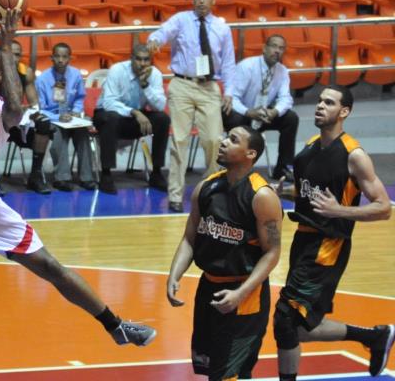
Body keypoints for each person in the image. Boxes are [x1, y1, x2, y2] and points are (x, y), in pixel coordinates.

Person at [0, 2, 156, 377]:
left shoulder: (7, 107)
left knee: (49, 265)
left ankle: (114, 324)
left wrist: (5, 48)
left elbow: (17, 110)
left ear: (0, 74)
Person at [273, 86, 394, 380]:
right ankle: (373, 337)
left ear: (344, 112)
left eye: (329, 102)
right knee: (300, 327)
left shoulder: (354, 155)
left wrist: (340, 210)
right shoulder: (310, 148)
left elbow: (384, 208)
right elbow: (309, 195)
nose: (320, 106)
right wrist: (281, 193)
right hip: (303, 241)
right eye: (319, 100)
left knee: (285, 319)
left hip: (328, 245)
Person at [167, 126, 283, 380]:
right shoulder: (206, 187)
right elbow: (190, 238)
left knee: (226, 374)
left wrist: (240, 294)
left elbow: (272, 252)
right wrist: (174, 275)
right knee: (217, 371)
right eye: (225, 137)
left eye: (233, 140)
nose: (222, 142)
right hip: (208, 290)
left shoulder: (261, 196)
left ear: (250, 153)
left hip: (244, 295)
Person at [147, 0, 236, 213]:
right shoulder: (181, 19)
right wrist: (154, 40)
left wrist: (229, 92)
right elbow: (162, 32)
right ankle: (175, 195)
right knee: (180, 141)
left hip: (209, 87)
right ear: (192, 0)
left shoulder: (221, 27)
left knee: (214, 140)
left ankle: (211, 190)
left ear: (213, 0)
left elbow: (228, 62)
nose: (201, 1)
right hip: (182, 84)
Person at [92, 44, 169, 194]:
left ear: (150, 60)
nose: (142, 63)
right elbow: (109, 102)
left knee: (162, 119)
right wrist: (134, 112)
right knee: (111, 118)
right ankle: (106, 174)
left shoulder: (155, 75)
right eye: (138, 59)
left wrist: (145, 85)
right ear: (131, 59)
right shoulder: (117, 70)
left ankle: (157, 172)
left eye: (146, 60)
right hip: (107, 114)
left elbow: (159, 106)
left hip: (134, 118)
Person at [224, 35, 298, 183]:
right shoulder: (247, 66)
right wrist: (248, 112)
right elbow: (233, 97)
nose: (277, 51)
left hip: (263, 115)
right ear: (264, 48)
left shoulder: (282, 71)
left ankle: (282, 168)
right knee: (235, 117)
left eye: (281, 48)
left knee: (291, 118)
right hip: (242, 114)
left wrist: (275, 111)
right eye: (274, 46)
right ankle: (235, 166)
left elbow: (286, 98)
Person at [34, 42, 95, 191]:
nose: (61, 60)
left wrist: (76, 110)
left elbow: (80, 97)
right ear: (51, 58)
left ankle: (86, 177)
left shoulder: (75, 75)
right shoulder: (42, 80)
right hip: (52, 117)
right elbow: (40, 108)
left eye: (64, 57)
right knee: (58, 132)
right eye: (57, 56)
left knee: (83, 132)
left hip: (70, 116)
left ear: (70, 58)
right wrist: (57, 118)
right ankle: (62, 178)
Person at [7, 39, 53, 194]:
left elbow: (34, 103)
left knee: (44, 123)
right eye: (10, 53)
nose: (14, 57)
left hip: (17, 120)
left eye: (17, 54)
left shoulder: (25, 72)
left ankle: (36, 174)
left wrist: (31, 111)